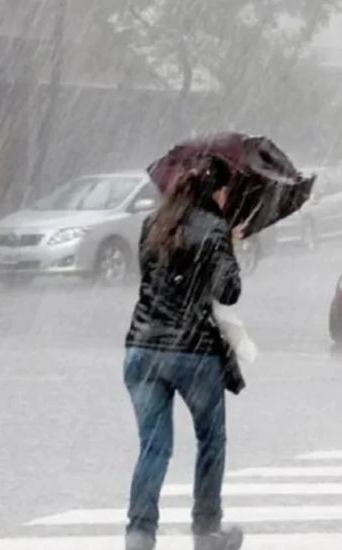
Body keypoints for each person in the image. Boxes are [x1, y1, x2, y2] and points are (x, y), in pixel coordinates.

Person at [123, 155, 245, 550]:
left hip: (142, 348)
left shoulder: (152, 224)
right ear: (218, 191)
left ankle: (140, 535)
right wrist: (229, 247)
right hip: (193, 352)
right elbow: (229, 292)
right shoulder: (213, 228)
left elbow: (155, 278)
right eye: (227, 191)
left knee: (153, 446)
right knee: (211, 439)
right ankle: (207, 530)